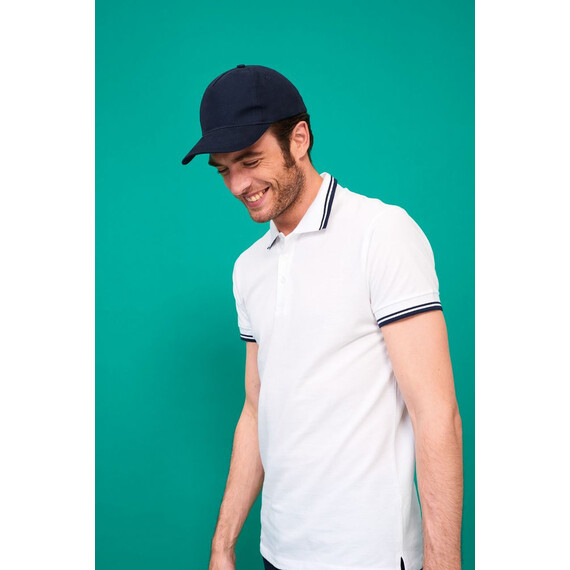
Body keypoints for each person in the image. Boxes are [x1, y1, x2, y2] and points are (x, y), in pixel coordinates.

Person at [181, 64, 463, 570]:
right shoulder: (248, 268)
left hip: (368, 556)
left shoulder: (381, 233)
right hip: (278, 551)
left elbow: (436, 415)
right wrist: (223, 542)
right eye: (223, 170)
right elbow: (256, 409)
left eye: (250, 160)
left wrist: (443, 564)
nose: (238, 184)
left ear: (299, 139)